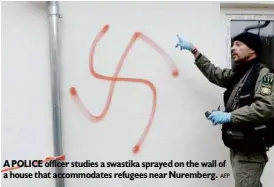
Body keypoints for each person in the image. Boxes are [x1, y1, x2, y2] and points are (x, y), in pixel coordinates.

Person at [175, 32, 274, 187]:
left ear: (252, 50)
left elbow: (265, 107)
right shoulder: (239, 74)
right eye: (232, 44)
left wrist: (229, 117)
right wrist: (194, 51)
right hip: (239, 145)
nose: (233, 48)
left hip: (250, 150)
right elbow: (215, 74)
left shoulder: (265, 75)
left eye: (239, 44)